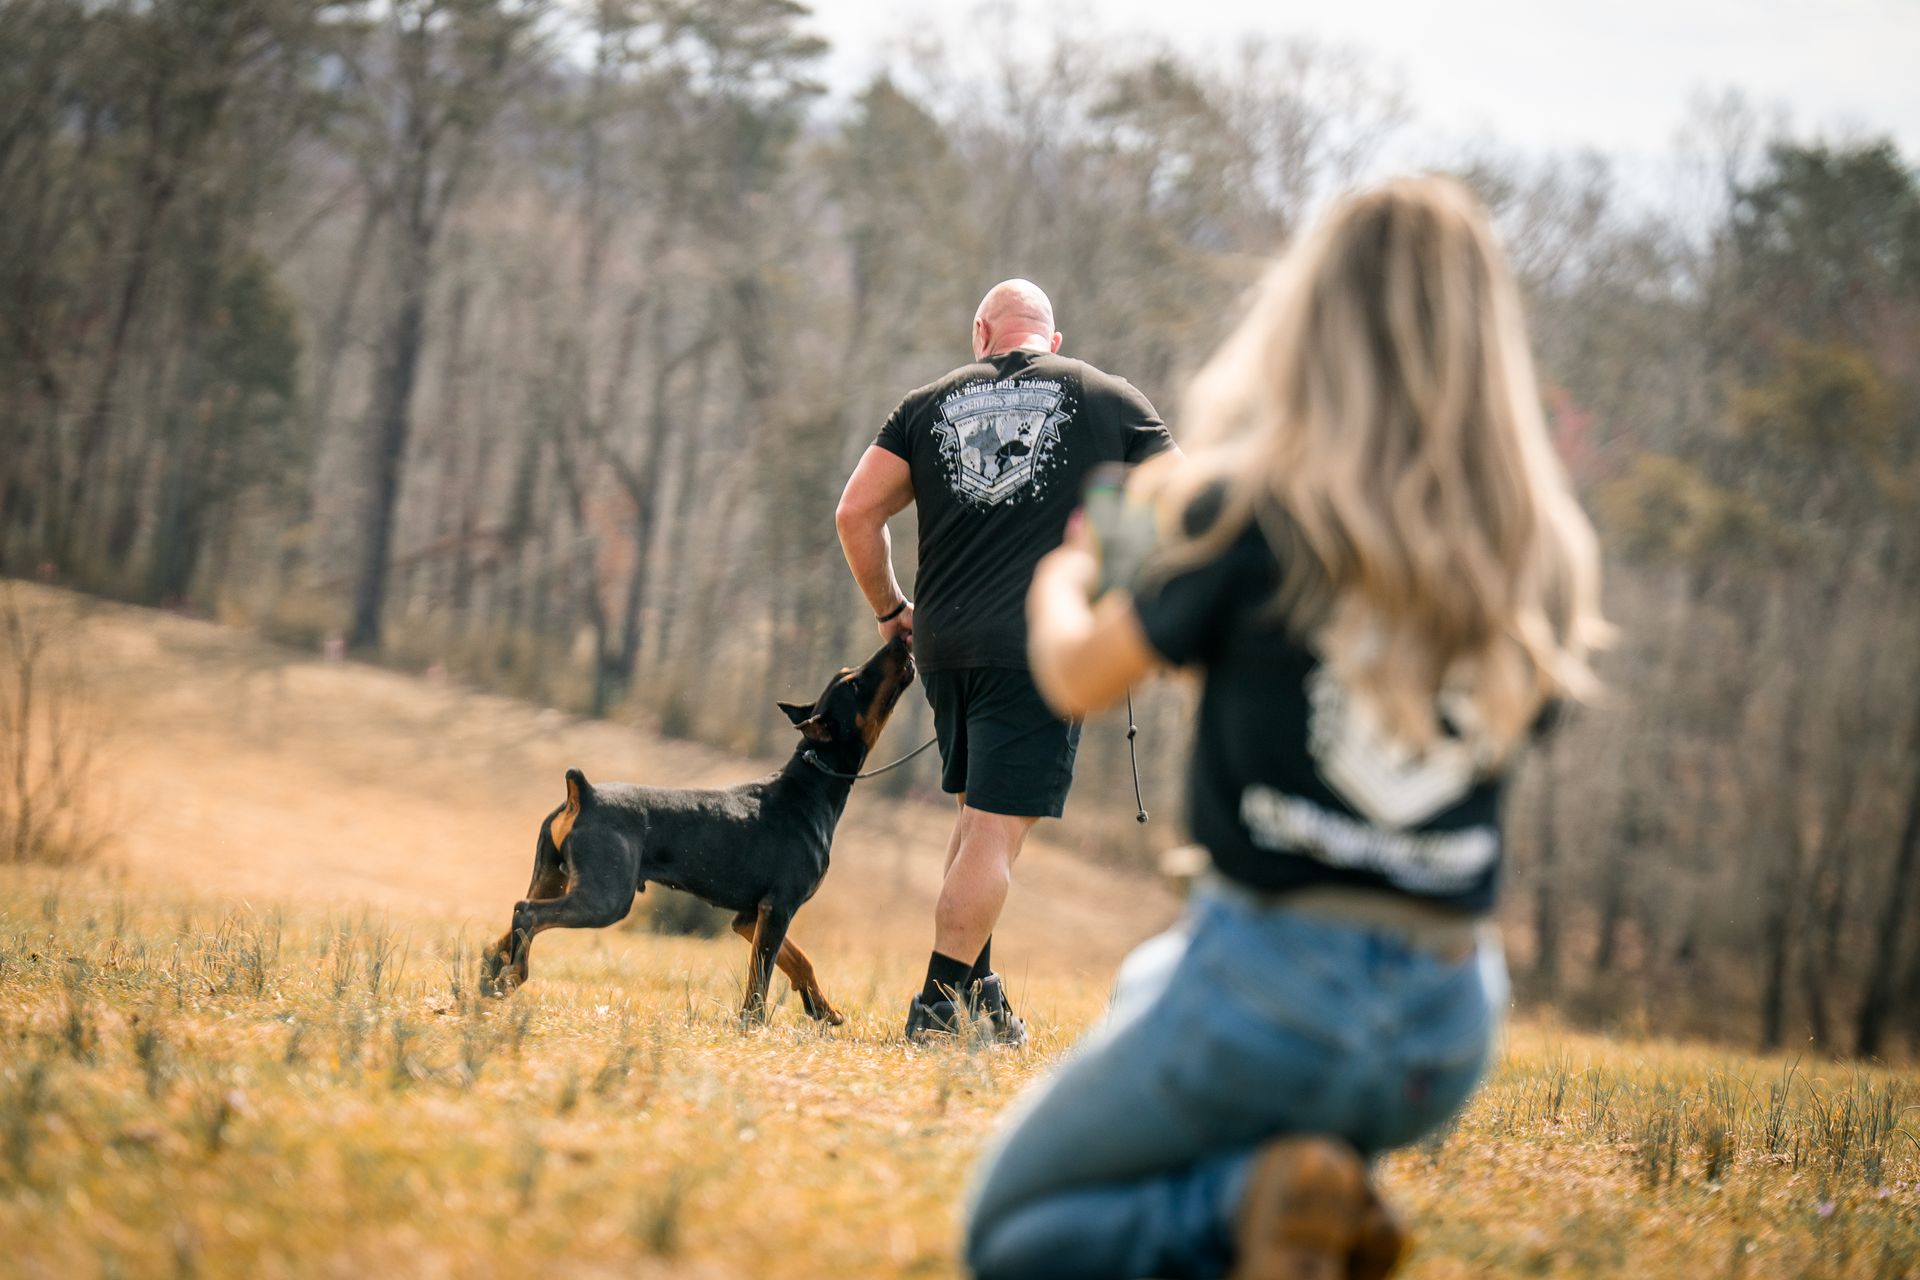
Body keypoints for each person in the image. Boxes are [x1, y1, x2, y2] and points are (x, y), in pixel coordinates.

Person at [963, 177, 1609, 1278]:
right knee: (1142, 983)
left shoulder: (1251, 509)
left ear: (1309, 317)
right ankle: (1301, 1205)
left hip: (1267, 982)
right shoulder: (1540, 550)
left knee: (1012, 1234)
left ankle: (1240, 1203)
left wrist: (1072, 569)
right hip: (1444, 1020)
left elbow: (1076, 674)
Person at [835, 279, 1176, 1044]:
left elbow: (855, 512)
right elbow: (1182, 498)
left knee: (974, 818)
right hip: (1038, 646)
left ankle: (977, 995)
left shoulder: (926, 404)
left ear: (981, 331)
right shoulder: (1105, 395)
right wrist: (1115, 583)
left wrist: (892, 611)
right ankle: (935, 1007)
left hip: (945, 646)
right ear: (1050, 342)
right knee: (994, 831)